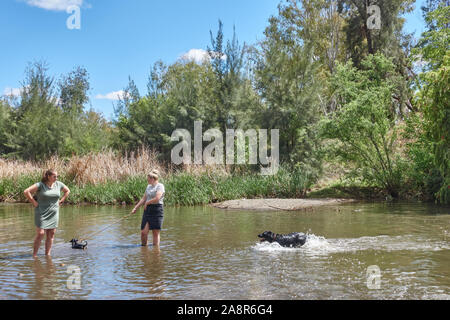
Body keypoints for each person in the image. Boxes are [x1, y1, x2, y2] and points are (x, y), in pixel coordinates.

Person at [24, 169, 70, 258]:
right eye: (54, 176)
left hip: (54, 213)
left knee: (51, 233)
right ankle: (34, 255)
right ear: (48, 176)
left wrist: (62, 200)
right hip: (41, 212)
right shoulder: (40, 185)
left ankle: (47, 254)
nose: (56, 178)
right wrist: (33, 202)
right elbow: (26, 191)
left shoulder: (59, 184)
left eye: (57, 176)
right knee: (40, 233)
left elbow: (67, 191)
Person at [131, 169, 165, 247]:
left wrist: (147, 202)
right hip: (148, 210)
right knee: (143, 232)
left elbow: (157, 198)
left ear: (152, 178)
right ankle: (144, 249)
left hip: (157, 209)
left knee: (155, 233)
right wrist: (135, 208)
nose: (147, 180)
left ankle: (156, 252)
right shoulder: (148, 187)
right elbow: (144, 198)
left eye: (148, 179)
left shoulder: (160, 186)